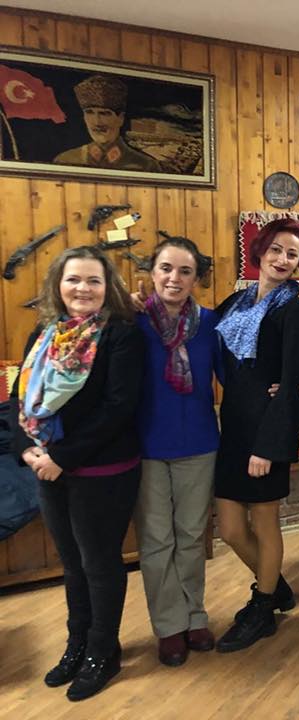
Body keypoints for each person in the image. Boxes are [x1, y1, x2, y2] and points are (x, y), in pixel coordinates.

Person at [11, 246, 144, 701]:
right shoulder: (44, 333)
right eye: (73, 279)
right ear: (58, 284)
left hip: (103, 469)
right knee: (72, 564)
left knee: (99, 564)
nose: (82, 288)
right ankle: (78, 643)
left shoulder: (121, 335)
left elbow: (119, 408)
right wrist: (28, 449)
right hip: (49, 468)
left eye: (93, 280)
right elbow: (20, 398)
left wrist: (61, 457)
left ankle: (103, 651)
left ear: (108, 287)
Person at [213, 218, 299, 652]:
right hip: (233, 427)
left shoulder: (293, 309)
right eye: (276, 250)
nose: (282, 259)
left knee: (265, 521)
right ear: (260, 251)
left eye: (292, 254)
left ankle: (263, 607)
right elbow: (203, 330)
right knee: (231, 528)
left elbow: (290, 383)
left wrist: (268, 446)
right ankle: (275, 586)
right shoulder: (236, 301)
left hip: (266, 431)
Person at [132, 236, 221, 667]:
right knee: (156, 540)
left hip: (199, 443)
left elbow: (235, 375)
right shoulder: (132, 322)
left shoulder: (211, 324)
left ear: (196, 278)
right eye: (166, 268)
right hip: (146, 445)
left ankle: (194, 616)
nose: (174, 278)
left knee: (190, 537)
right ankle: (168, 625)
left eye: (185, 271)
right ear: (152, 273)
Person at [53, 74, 161, 172]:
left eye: (105, 113)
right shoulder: (66, 160)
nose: (97, 122)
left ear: (120, 118)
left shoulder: (145, 165)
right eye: (89, 112)